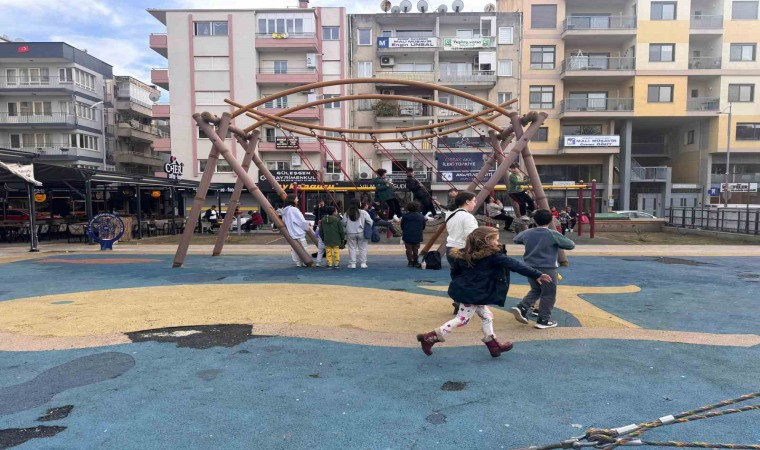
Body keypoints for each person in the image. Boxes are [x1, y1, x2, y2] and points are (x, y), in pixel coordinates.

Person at [416, 226, 553, 357]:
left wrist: (459, 284)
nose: (498, 243)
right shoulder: (493, 256)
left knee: (487, 316)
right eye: (496, 240)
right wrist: (537, 274)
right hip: (474, 294)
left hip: (469, 291)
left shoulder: (463, 254)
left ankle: (493, 345)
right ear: (487, 241)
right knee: (462, 319)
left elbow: (455, 272)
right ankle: (430, 337)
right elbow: (515, 265)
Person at [511, 209, 576, 329]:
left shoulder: (528, 232)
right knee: (549, 293)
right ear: (551, 220)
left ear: (534, 221)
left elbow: (516, 239)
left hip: (530, 267)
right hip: (547, 268)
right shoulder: (552, 234)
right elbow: (570, 245)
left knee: (536, 289)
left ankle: (522, 307)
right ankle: (543, 320)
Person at [445, 191, 479, 314]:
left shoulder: (449, 214)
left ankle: (458, 300)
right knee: (469, 277)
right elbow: (471, 236)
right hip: (463, 249)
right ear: (467, 202)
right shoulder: (468, 217)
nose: (475, 203)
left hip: (450, 248)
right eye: (474, 201)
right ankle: (464, 303)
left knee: (456, 276)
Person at [280, 194, 311, 267]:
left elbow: (284, 221)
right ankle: (305, 262)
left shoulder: (285, 210)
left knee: (294, 249)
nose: (297, 200)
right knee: (304, 248)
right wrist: (307, 226)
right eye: (296, 199)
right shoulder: (294, 209)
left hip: (291, 232)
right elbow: (301, 221)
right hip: (298, 232)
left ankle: (298, 263)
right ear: (293, 200)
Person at [342, 198, 373, 269]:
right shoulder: (363, 212)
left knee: (352, 248)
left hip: (350, 232)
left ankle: (353, 263)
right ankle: (363, 263)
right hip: (361, 232)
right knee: (363, 248)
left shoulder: (347, 213)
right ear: (359, 204)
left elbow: (343, 223)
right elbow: (370, 222)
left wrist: (347, 226)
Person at [400, 201, 426, 268]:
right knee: (416, 249)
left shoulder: (405, 216)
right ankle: (416, 261)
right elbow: (423, 226)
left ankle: (410, 261)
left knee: (408, 249)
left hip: (407, 235)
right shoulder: (421, 216)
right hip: (417, 235)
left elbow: (402, 226)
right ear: (417, 208)